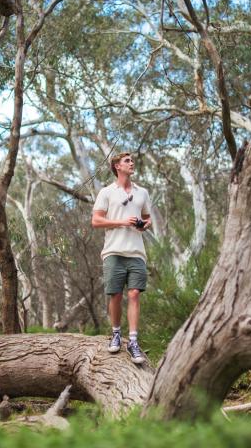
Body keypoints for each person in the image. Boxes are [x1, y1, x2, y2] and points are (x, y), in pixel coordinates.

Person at [91, 152, 152, 364]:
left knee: (134, 294)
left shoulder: (142, 192)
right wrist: (122, 222)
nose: (131, 163)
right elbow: (96, 221)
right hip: (113, 251)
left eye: (132, 160)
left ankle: (133, 341)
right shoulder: (107, 192)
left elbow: (147, 217)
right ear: (117, 166)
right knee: (115, 294)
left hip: (136, 252)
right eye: (127, 161)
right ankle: (116, 333)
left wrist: (145, 224)